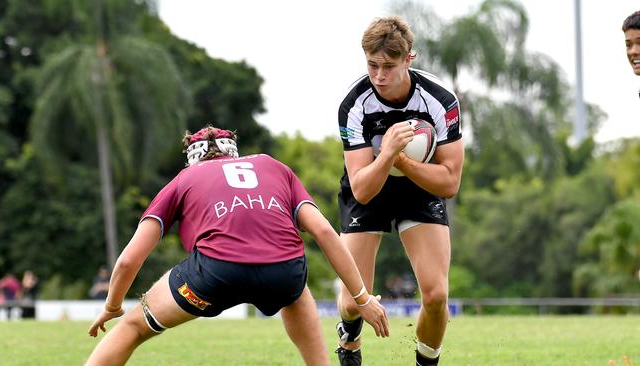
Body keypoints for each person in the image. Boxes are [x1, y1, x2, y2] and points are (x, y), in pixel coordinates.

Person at [85, 125, 389, 366]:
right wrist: (362, 299)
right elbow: (324, 231)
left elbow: (128, 261)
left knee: (134, 326)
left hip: (213, 277)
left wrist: (112, 307)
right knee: (296, 291)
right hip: (284, 276)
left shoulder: (185, 177)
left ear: (192, 158)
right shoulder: (272, 166)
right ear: (234, 154)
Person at [334, 16, 463, 366]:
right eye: (372, 64)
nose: (379, 75)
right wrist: (388, 154)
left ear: (409, 58)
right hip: (371, 184)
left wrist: (403, 163)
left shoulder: (439, 99)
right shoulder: (354, 103)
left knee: (436, 295)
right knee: (350, 302)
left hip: (419, 186)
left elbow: (450, 182)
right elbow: (361, 190)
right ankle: (349, 338)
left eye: (388, 66)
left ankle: (426, 361)